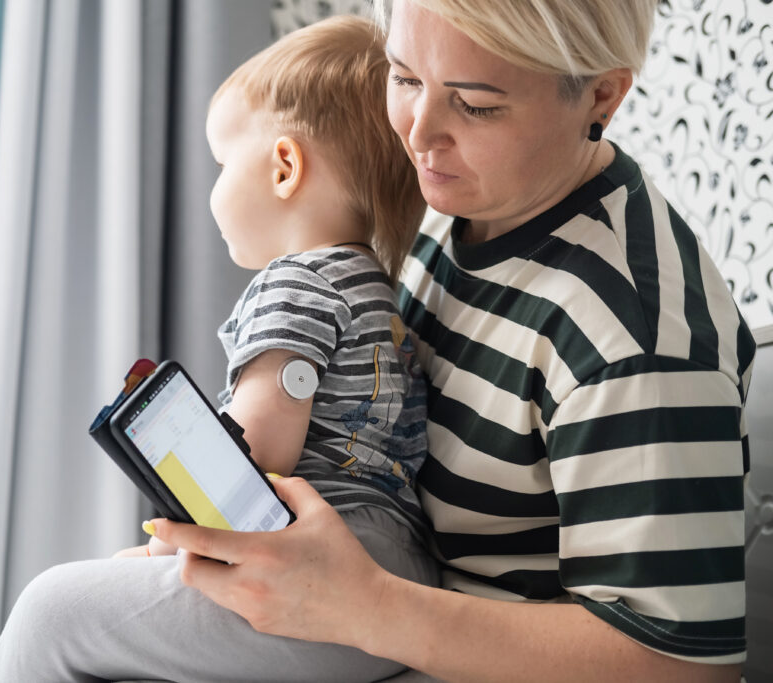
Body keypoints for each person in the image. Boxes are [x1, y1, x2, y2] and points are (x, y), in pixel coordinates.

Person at [146, 1, 754, 682]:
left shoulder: (631, 337)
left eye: (476, 105)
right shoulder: (450, 208)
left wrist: (368, 607)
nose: (417, 132)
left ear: (601, 97)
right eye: (404, 77)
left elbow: (682, 667)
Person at [0, 16, 437, 683]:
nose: (215, 188)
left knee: (49, 606)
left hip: (331, 571)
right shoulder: (375, 289)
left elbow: (251, 465)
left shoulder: (295, 283)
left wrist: (171, 548)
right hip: (405, 571)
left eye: (223, 164)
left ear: (284, 167)